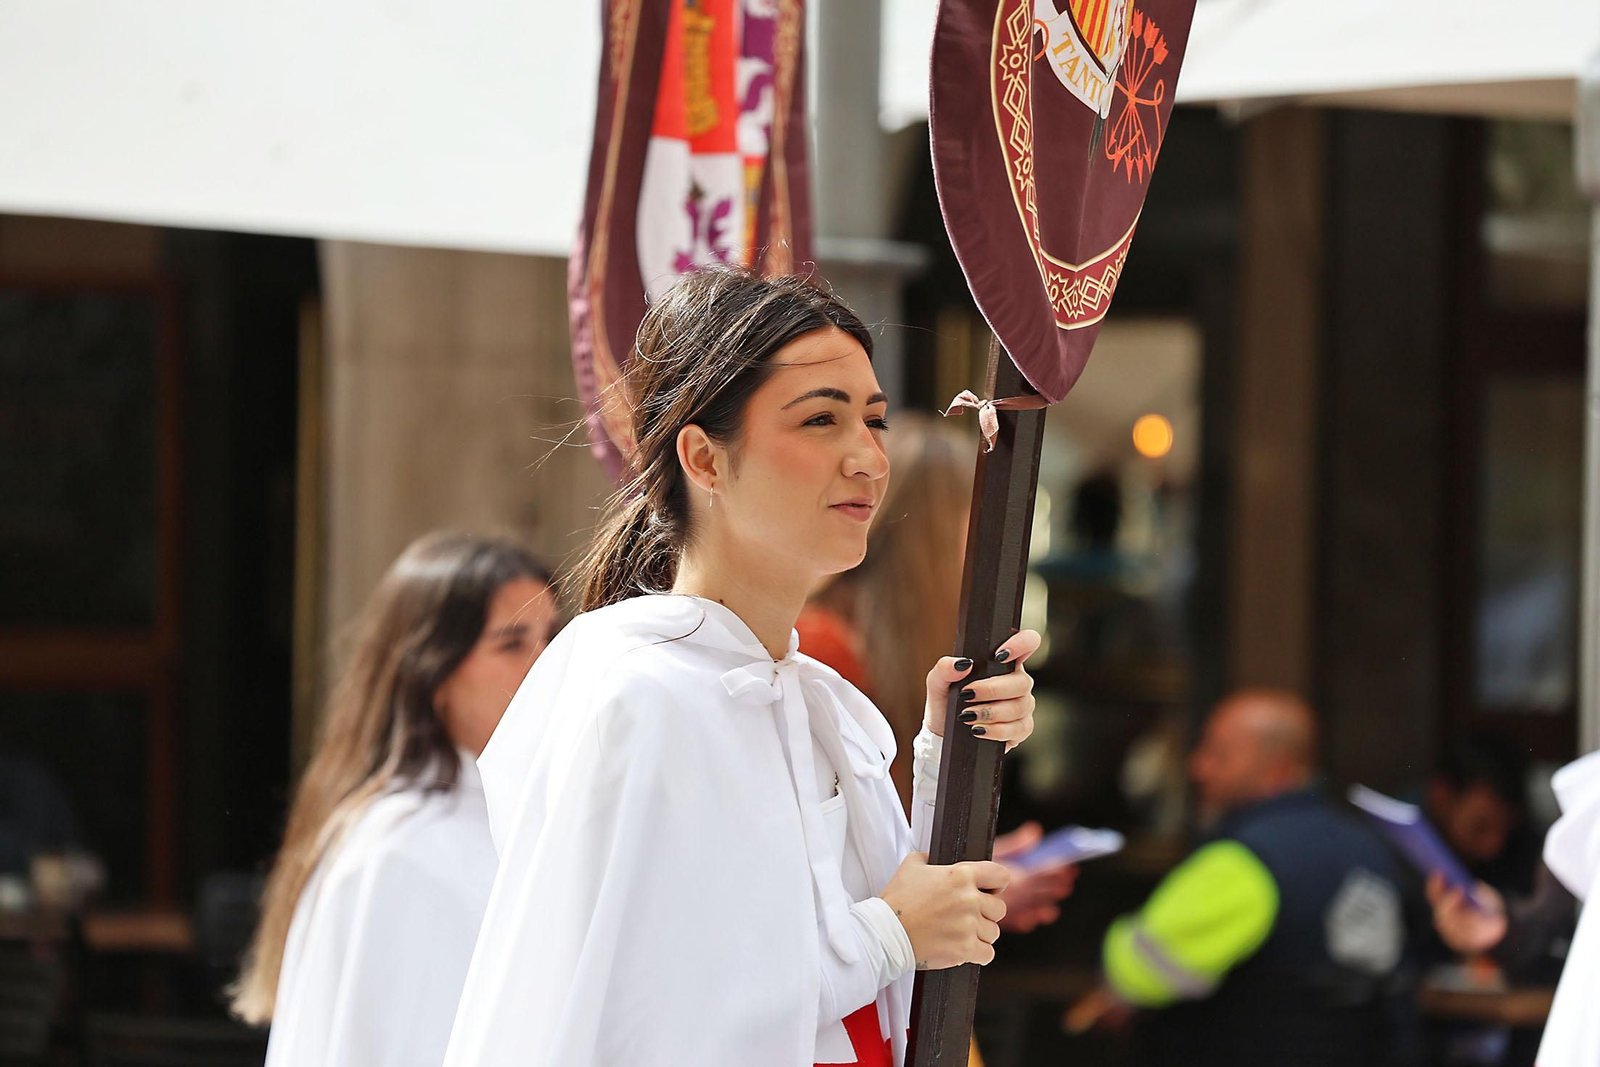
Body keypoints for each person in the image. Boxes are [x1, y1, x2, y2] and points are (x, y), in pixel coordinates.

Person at [442, 269, 1041, 1067]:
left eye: (874, 419)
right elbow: (645, 1012)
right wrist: (890, 932)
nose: (867, 457)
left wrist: (952, 749)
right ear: (705, 456)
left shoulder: (819, 698)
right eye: (821, 420)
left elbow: (902, 947)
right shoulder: (635, 696)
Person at [230, 531, 559, 1067]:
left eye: (551, 637)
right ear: (434, 671)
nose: (545, 664)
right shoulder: (411, 849)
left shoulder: (495, 816)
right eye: (512, 642)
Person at [798, 412, 1076, 935]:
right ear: (929, 532)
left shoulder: (883, 650)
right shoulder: (820, 653)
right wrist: (963, 891)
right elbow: (822, 881)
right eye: (979, 523)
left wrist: (973, 870)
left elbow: (881, 849)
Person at [1092, 689, 1420, 1067]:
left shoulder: (1245, 861)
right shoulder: (1371, 848)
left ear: (1279, 771)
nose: (1199, 767)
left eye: (1220, 755)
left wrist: (1117, 963)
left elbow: (1136, 975)